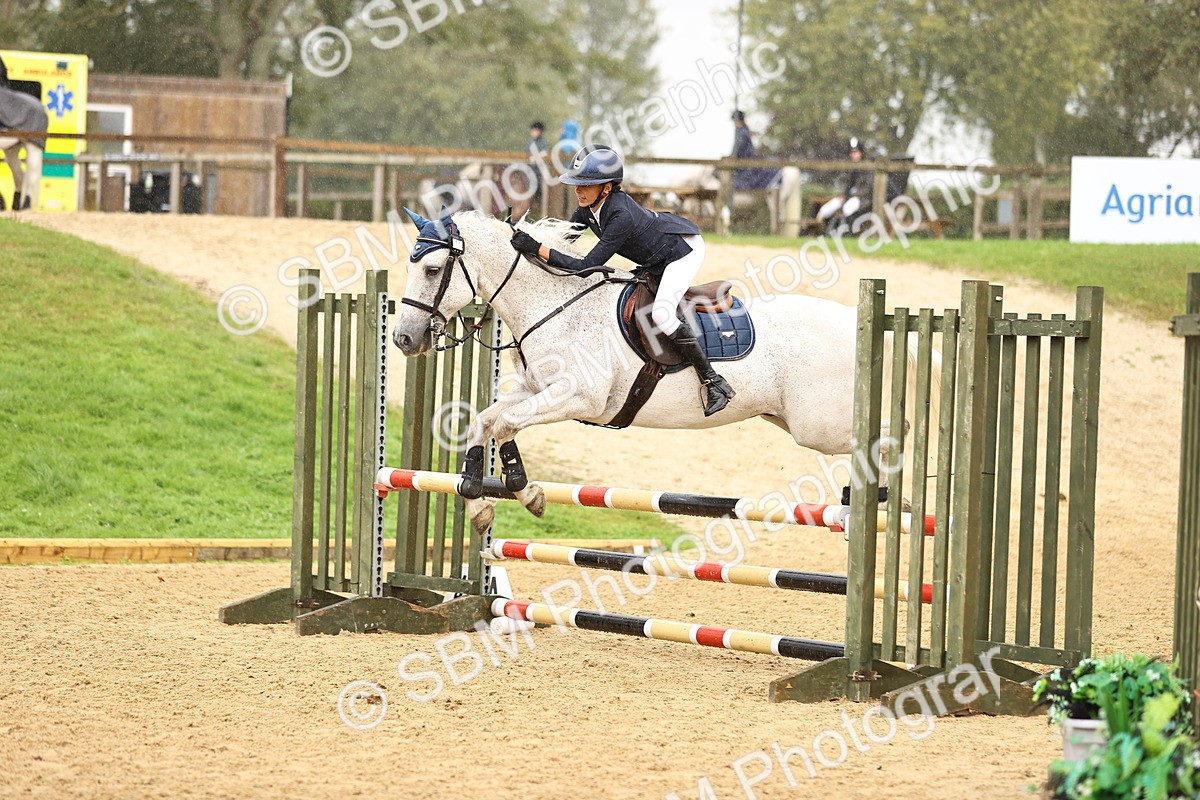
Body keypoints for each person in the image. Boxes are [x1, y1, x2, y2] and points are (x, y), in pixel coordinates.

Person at [509, 146, 735, 417]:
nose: (578, 191)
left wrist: (536, 248)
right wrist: (523, 236)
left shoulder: (620, 215)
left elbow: (585, 267)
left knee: (662, 314)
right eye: (577, 184)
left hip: (681, 251)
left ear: (606, 187)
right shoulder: (587, 209)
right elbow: (565, 242)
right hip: (655, 252)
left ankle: (713, 381)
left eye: (585, 185)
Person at [0, 75, 48, 212]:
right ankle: (19, 192)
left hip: (29, 119)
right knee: (11, 160)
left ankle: (29, 199)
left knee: (33, 159)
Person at [816, 137, 868, 235]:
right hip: (846, 197)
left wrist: (851, 196)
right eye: (852, 152)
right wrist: (843, 195)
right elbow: (844, 185)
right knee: (825, 209)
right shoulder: (849, 168)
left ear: (861, 153)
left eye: (856, 152)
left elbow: (867, 189)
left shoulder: (868, 168)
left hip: (861, 199)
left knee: (847, 208)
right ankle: (823, 233)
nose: (854, 155)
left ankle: (847, 234)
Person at [730, 110, 778, 191]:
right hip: (749, 159)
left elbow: (739, 148)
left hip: (746, 162)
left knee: (736, 180)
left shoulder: (741, 132)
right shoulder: (745, 130)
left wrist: (732, 157)